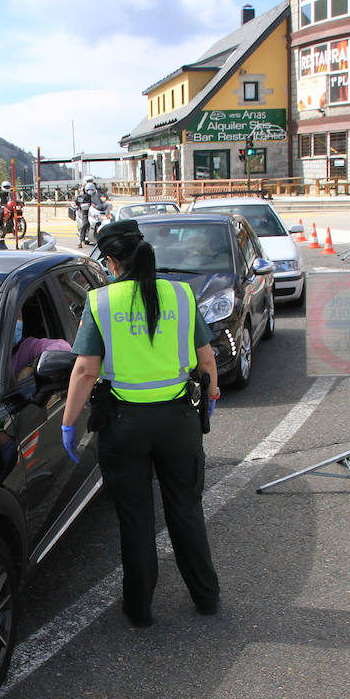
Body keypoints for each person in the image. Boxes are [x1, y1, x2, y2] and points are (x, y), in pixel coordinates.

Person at [61, 218, 221, 627]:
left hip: (124, 424)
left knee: (135, 519)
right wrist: (212, 397)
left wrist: (68, 423)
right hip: (179, 421)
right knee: (186, 509)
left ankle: (140, 609)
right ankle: (206, 598)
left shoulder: (101, 302)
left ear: (111, 260)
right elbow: (206, 359)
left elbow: (83, 371)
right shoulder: (182, 295)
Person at [10, 308, 71, 381]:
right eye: (10, 317)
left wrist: (32, 366)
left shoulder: (28, 347)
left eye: (18, 316)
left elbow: (63, 347)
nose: (15, 321)